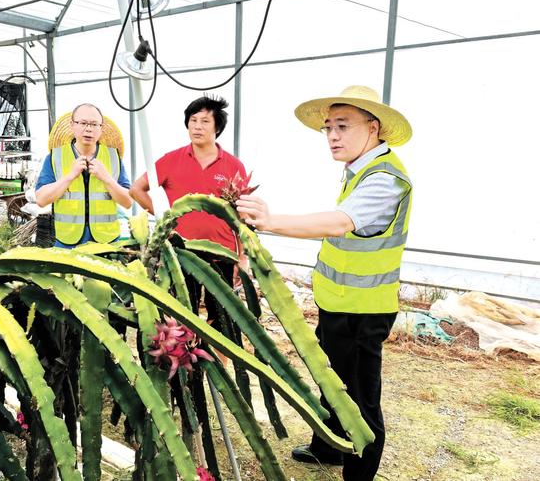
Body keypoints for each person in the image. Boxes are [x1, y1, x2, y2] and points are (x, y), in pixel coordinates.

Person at [236, 86, 413, 481]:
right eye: (328, 127)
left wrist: (271, 221)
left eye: (343, 126)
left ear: (374, 127)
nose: (332, 136)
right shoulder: (359, 170)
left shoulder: (386, 179)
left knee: (360, 399)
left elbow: (339, 223)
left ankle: (358, 474)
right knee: (331, 378)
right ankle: (328, 447)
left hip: (364, 310)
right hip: (338, 301)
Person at [129, 94, 248, 320]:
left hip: (221, 253)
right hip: (181, 252)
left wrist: (242, 257)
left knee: (222, 318)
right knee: (183, 315)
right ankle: (189, 354)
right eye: (193, 120)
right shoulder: (171, 159)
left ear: (217, 127)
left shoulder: (233, 165)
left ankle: (218, 357)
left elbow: (241, 214)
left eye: (204, 121)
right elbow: (136, 189)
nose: (197, 127)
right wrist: (167, 218)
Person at [35, 103, 132, 248]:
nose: (88, 129)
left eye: (94, 124)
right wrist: (69, 176)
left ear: (101, 128)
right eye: (83, 123)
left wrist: (106, 178)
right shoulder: (55, 157)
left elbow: (128, 202)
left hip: (107, 243)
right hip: (67, 243)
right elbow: (41, 200)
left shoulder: (113, 157)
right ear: (72, 125)